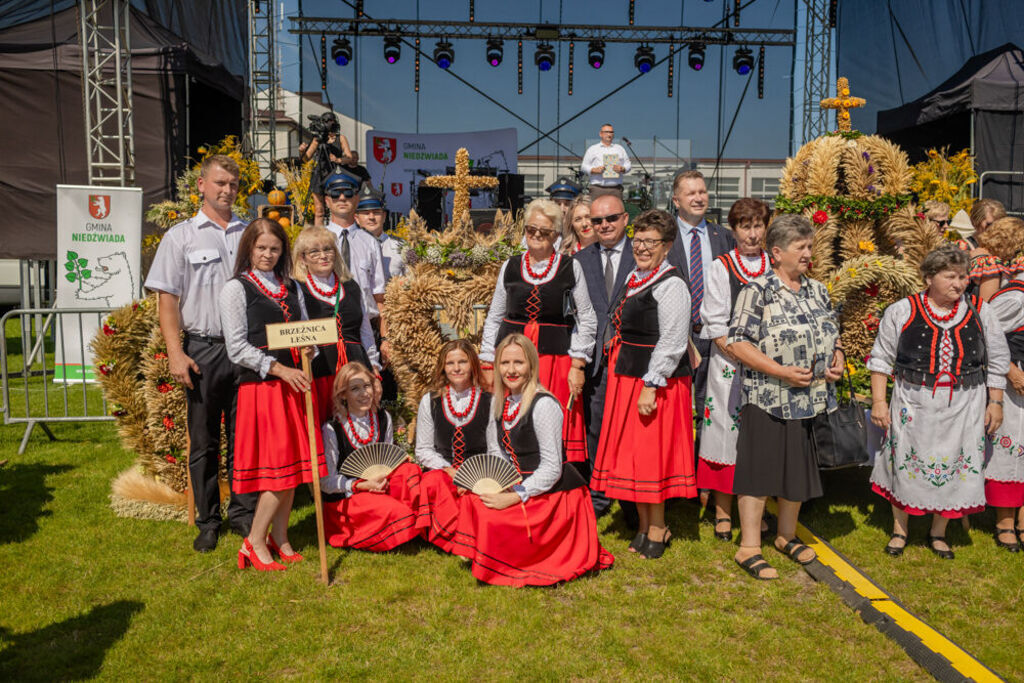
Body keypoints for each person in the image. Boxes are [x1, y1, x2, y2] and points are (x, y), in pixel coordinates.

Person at [144, 154, 256, 553]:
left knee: (244, 439)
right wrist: (176, 353)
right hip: (203, 350)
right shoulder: (181, 237)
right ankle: (208, 520)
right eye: (220, 183)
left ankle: (242, 513)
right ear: (202, 187)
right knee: (205, 441)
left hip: (245, 351)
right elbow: (168, 301)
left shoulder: (250, 234)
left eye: (233, 184)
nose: (227, 190)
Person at [869, 244, 1008, 560]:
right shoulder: (902, 310)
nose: (959, 284)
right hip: (913, 401)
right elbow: (881, 358)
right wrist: (879, 402)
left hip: (965, 403)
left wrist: (995, 401)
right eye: (950, 276)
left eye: (963, 277)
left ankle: (938, 532)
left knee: (955, 464)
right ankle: (899, 530)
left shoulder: (980, 310)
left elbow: (998, 358)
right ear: (929, 277)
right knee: (905, 464)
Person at [727, 214, 844, 580]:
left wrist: (837, 356)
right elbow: (737, 342)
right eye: (802, 247)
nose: (809, 253)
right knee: (759, 471)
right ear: (776, 253)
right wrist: (780, 372)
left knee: (797, 469)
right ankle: (748, 546)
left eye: (810, 246)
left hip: (809, 399)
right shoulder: (757, 290)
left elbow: (831, 331)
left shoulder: (818, 290)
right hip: (767, 397)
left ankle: (786, 536)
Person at [453, 334, 614, 586]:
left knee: (493, 516)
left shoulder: (544, 404)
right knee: (473, 501)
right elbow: (498, 455)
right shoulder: (500, 404)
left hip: (551, 495)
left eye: (518, 362)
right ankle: (495, 551)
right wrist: (491, 484)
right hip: (519, 485)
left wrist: (515, 495)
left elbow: (551, 469)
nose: (511, 370)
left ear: (531, 366)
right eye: (505, 363)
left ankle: (512, 558)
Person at [219, 218, 326, 571]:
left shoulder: (292, 287)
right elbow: (236, 347)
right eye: (261, 248)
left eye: (274, 249)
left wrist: (310, 350)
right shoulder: (236, 289)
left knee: (295, 469)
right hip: (263, 388)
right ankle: (253, 541)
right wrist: (278, 368)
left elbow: (305, 331)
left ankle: (281, 539)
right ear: (249, 248)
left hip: (294, 386)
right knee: (278, 472)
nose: (267, 254)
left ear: (283, 252)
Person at [591, 209, 696, 559]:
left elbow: (672, 340)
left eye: (651, 242)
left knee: (651, 456)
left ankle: (658, 526)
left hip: (656, 381)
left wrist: (652, 384)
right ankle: (642, 525)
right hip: (629, 376)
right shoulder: (636, 277)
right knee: (635, 455)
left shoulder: (672, 284)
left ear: (667, 246)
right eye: (638, 240)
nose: (642, 247)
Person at [480, 198, 597, 465]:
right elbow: (495, 315)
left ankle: (554, 480)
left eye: (543, 232)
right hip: (512, 359)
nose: (536, 236)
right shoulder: (509, 266)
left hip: (554, 361)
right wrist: (488, 359)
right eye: (531, 229)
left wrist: (578, 363)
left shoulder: (570, 267)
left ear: (556, 234)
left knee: (550, 420)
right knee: (513, 418)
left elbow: (586, 316)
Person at [697, 198, 770, 542]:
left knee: (761, 437)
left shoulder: (776, 264)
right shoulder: (721, 266)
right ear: (734, 230)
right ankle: (723, 512)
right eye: (745, 226)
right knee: (724, 436)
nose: (753, 234)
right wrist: (744, 356)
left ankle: (756, 507)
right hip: (729, 366)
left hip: (769, 368)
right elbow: (713, 323)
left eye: (758, 225)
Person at [320, 362, 423, 551]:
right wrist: (359, 485)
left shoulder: (383, 418)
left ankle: (417, 521)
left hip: (380, 486)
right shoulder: (332, 429)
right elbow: (325, 482)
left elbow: (388, 459)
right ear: (343, 394)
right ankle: (408, 522)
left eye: (367, 386)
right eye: (355, 389)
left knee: (411, 471)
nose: (364, 393)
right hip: (347, 500)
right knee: (397, 512)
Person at [670, 170, 737, 439]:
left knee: (716, 412)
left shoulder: (725, 237)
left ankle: (708, 475)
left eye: (702, 192)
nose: (699, 198)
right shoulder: (663, 237)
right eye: (691, 193)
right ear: (676, 200)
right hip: (679, 339)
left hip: (716, 337)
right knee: (678, 414)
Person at [291, 227, 379, 424]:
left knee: (358, 425)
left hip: (356, 368)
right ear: (303, 258)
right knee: (324, 424)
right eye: (314, 251)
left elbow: (365, 331)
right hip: (321, 370)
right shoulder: (297, 289)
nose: (323, 256)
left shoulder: (351, 286)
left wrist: (373, 366)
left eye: (328, 249)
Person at [413, 340, 492, 552]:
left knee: (478, 497)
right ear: (443, 367)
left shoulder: (489, 400)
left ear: (473, 364)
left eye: (462, 362)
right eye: (450, 363)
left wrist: (471, 478)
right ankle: (457, 539)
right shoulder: (430, 400)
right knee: (434, 484)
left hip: (478, 473)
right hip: (444, 471)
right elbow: (423, 449)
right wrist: (449, 470)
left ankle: (462, 538)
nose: (456, 368)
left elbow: (494, 450)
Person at [322, 169, 392, 366]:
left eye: (348, 192)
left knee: (365, 393)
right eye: (335, 193)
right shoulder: (316, 240)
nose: (342, 197)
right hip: (326, 328)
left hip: (365, 331)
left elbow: (380, 296)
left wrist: (386, 339)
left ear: (357, 198)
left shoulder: (370, 243)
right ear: (327, 200)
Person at [986, 250, 1024, 552]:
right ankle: (1004, 521)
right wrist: (1010, 371)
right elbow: (983, 332)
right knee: (1010, 448)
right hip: (1015, 384)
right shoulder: (1014, 297)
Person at [298, 113, 353, 227]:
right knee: (319, 210)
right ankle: (320, 236)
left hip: (334, 174)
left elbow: (349, 157)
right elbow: (306, 158)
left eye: (330, 121)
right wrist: (302, 151)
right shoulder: (317, 139)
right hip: (319, 175)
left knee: (335, 209)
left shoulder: (340, 138)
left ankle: (336, 233)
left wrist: (337, 159)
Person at [355, 184, 405, 280]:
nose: (371, 217)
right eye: (366, 213)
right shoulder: (349, 247)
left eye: (376, 212)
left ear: (384, 216)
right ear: (356, 218)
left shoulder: (400, 247)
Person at [969, 216, 1024, 301]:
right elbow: (986, 306)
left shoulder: (973, 253)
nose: (1014, 255)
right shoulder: (990, 264)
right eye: (1017, 250)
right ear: (1010, 244)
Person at [580, 123, 630, 200]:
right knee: (596, 211)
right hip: (598, 189)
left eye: (611, 132)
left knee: (616, 211)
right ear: (601, 134)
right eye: (606, 132)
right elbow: (583, 166)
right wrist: (593, 170)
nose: (609, 134)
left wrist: (622, 169)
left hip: (615, 189)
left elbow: (628, 164)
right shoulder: (593, 149)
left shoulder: (620, 149)